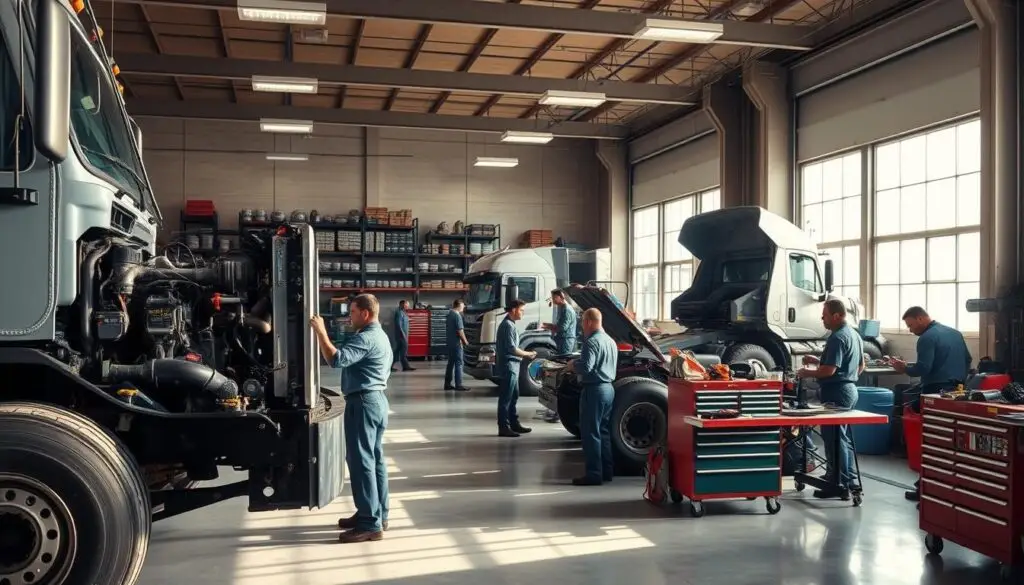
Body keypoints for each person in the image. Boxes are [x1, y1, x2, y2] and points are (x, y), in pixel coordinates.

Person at [310, 294, 392, 543]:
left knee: (361, 461)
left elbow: (337, 360)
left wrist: (320, 331)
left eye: (353, 312)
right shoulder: (380, 335)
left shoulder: (366, 338)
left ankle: (370, 524)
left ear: (365, 314)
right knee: (375, 459)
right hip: (376, 400)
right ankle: (378, 514)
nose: (349, 316)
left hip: (364, 403)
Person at [889, 306, 972, 502]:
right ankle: (948, 489)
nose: (910, 330)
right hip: (957, 392)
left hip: (935, 394)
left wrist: (904, 368)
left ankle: (925, 491)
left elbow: (923, 369)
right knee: (951, 443)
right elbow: (968, 360)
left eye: (910, 325)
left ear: (920, 319)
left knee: (931, 442)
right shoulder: (955, 333)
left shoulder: (926, 338)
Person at [796, 299, 865, 500]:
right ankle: (847, 479)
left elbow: (829, 370)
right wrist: (819, 361)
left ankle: (837, 483)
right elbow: (859, 366)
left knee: (834, 439)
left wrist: (807, 372)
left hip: (837, 392)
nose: (822, 318)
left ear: (836, 316)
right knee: (842, 438)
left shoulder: (837, 338)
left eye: (824, 315)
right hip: (849, 389)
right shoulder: (854, 334)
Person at [566, 308, 617, 486]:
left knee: (590, 433)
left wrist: (573, 365)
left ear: (588, 322)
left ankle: (594, 473)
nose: (582, 326)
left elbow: (586, 367)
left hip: (594, 390)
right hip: (608, 389)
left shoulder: (592, 342)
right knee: (603, 431)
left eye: (582, 323)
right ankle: (607, 471)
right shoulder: (610, 341)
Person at [496, 299, 536, 437]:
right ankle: (504, 427)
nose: (523, 313)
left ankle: (514, 424)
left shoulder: (510, 324)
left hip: (514, 365)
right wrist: (528, 354)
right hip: (509, 366)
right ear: (513, 309)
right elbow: (512, 349)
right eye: (521, 310)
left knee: (514, 396)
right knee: (506, 398)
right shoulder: (508, 326)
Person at [542, 289, 578, 355]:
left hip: (566, 340)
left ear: (560, 296)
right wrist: (548, 325)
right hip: (561, 339)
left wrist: (549, 327)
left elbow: (562, 328)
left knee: (563, 360)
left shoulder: (567, 310)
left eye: (554, 298)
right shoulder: (561, 307)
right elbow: (560, 323)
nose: (553, 300)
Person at [444, 299, 469, 391]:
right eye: (463, 304)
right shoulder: (457, 316)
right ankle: (459, 385)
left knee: (450, 364)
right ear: (459, 305)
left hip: (450, 342)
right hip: (457, 343)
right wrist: (465, 342)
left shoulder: (449, 314)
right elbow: (460, 331)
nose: (464, 306)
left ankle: (447, 384)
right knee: (459, 363)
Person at [391, 300, 415, 372]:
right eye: (407, 305)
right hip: (401, 336)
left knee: (397, 352)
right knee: (403, 352)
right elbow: (398, 325)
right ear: (402, 305)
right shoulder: (399, 313)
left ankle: (390, 366)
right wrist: (403, 335)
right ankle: (405, 366)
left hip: (403, 336)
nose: (408, 306)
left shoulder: (403, 313)